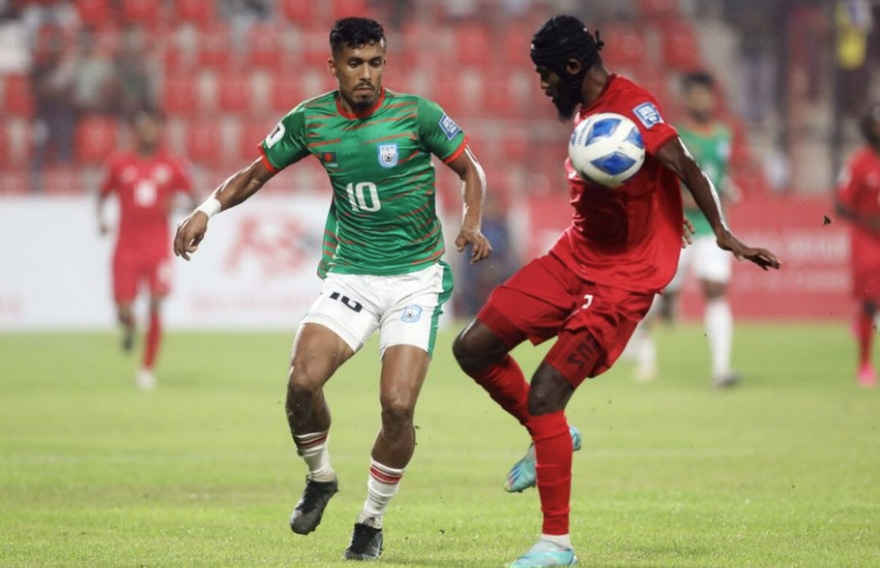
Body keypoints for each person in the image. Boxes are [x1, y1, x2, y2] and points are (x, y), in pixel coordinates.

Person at [451, 15, 780, 568]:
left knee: (547, 392)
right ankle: (551, 433)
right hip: (574, 255)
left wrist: (723, 233)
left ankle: (556, 545)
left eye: (546, 73)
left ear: (572, 66)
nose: (542, 84)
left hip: (622, 280)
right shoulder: (585, 106)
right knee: (472, 347)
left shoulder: (632, 106)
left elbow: (684, 163)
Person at [173, 17, 491, 561]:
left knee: (397, 405)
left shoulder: (417, 115)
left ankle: (371, 520)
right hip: (353, 275)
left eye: (375, 63)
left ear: (384, 63)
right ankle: (320, 478)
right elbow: (255, 174)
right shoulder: (310, 120)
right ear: (334, 66)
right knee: (302, 381)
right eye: (354, 63)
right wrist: (206, 210)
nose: (366, 74)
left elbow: (472, 170)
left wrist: (472, 221)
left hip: (415, 280)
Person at [628, 71, 742, 387]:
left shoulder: (723, 135)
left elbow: (718, 176)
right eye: (697, 95)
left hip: (712, 228)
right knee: (661, 297)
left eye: (708, 94)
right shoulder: (674, 137)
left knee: (716, 290)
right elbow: (663, 180)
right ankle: (644, 354)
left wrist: (725, 192)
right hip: (680, 228)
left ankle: (721, 369)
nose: (704, 101)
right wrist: (687, 199)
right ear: (687, 99)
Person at [97, 108, 196, 390]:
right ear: (136, 132)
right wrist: (101, 219)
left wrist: (176, 204)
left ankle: (146, 369)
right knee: (124, 310)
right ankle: (129, 326)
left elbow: (194, 200)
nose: (148, 132)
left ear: (159, 130)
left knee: (155, 303)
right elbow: (102, 194)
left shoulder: (173, 165)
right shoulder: (119, 164)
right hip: (126, 249)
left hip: (157, 249)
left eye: (152, 126)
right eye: (143, 127)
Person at [835, 103, 880, 388]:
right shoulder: (859, 163)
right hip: (868, 240)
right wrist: (868, 220)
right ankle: (864, 364)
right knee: (870, 301)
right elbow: (840, 204)